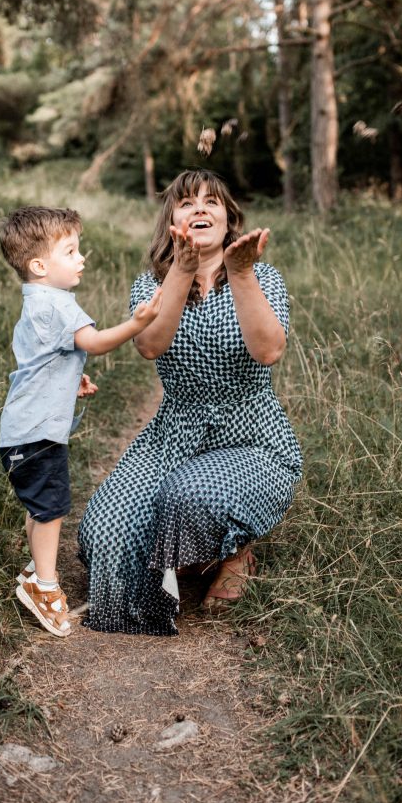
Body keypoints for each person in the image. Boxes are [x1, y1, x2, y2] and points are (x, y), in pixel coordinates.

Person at [77, 169, 302, 636]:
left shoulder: (262, 277)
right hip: (174, 435)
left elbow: (268, 351)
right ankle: (184, 551)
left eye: (211, 201)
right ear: (172, 221)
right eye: (187, 202)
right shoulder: (150, 284)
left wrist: (240, 273)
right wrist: (182, 271)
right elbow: (150, 346)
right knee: (105, 530)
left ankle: (235, 553)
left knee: (189, 495)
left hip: (251, 438)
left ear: (228, 219)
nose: (199, 207)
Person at [0, 206, 161, 638]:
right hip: (38, 434)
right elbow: (96, 342)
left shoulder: (36, 303)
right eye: (70, 251)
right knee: (51, 510)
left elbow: (40, 361)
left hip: (21, 432)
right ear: (39, 266)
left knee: (40, 507)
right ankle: (45, 586)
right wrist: (136, 324)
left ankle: (37, 569)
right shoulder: (58, 305)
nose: (81, 257)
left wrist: (70, 380)